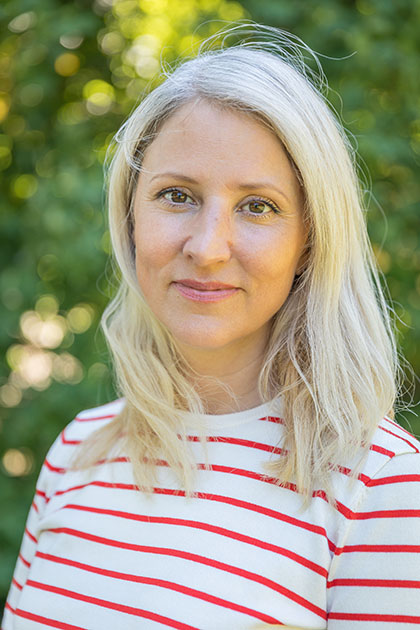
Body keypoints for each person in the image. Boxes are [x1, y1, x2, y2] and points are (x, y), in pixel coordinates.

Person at [3, 24, 420, 630]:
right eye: (177, 196)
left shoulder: (383, 487)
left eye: (258, 206)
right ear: (131, 214)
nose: (207, 247)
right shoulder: (77, 451)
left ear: (310, 240)